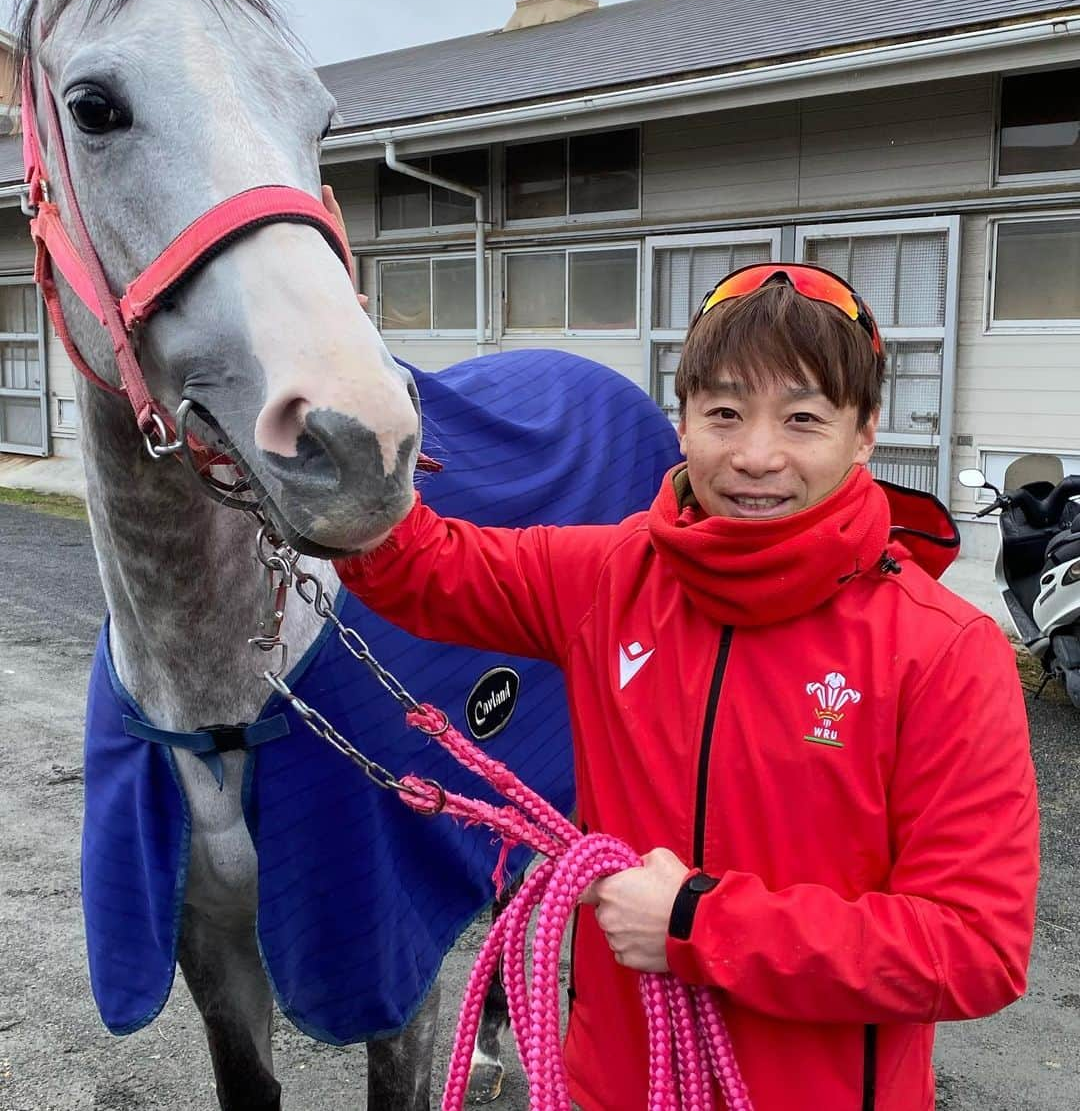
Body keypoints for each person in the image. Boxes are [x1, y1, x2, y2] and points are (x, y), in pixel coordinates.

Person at [334, 249, 1039, 1111]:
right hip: (612, 1085)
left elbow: (974, 947)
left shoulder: (943, 650)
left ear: (865, 432)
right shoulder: (610, 579)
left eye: (804, 419)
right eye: (724, 412)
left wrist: (697, 923)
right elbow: (420, 567)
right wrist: (336, 367)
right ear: (683, 422)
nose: (756, 456)